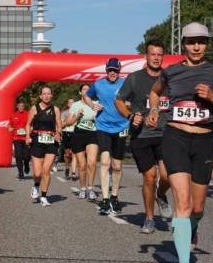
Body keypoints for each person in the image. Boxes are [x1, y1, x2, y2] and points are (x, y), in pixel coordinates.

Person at [147, 22, 213, 263]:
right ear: (183, 45)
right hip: (175, 137)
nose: (196, 46)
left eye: (201, 41)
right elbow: (155, 93)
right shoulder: (171, 71)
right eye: (191, 42)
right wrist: (154, 111)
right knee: (183, 202)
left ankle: (191, 227)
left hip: (203, 141)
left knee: (197, 207)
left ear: (206, 45)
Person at [116, 39, 173, 233]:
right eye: (153, 54)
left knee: (167, 176)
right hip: (141, 135)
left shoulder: (169, 78)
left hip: (166, 133)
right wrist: (131, 116)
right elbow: (119, 101)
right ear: (146, 56)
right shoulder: (135, 78)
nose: (156, 58)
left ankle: (161, 194)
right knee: (150, 177)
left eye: (159, 54)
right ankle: (149, 218)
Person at [84, 57, 128, 216]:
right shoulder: (98, 84)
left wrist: (130, 106)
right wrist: (92, 105)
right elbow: (87, 96)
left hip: (121, 127)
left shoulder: (125, 83)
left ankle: (114, 197)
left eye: (115, 70)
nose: (112, 73)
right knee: (104, 161)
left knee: (116, 166)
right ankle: (104, 199)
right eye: (110, 70)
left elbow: (136, 97)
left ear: (119, 71)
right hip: (103, 126)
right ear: (106, 70)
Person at [26, 85, 62, 206]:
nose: (46, 96)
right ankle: (36, 185)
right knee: (37, 173)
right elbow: (28, 124)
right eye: (44, 94)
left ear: (51, 95)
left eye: (49, 94)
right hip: (37, 141)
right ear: (40, 96)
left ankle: (44, 196)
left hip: (51, 142)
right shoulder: (34, 109)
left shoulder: (56, 109)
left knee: (46, 170)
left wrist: (58, 133)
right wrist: (27, 136)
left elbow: (59, 125)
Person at [64, 84, 99, 201]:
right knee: (82, 165)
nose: (86, 91)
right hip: (79, 134)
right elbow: (68, 122)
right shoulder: (75, 105)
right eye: (84, 89)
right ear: (80, 93)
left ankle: (90, 188)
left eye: (88, 90)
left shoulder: (96, 103)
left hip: (93, 134)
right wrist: (77, 117)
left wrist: (98, 118)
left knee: (92, 162)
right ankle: (83, 188)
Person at [9, 100, 30, 179]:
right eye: (19, 106)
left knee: (27, 156)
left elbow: (31, 124)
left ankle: (27, 165)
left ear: (24, 107)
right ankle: (21, 173)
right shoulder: (13, 115)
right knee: (18, 155)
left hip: (26, 138)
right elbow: (9, 125)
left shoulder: (28, 114)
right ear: (17, 106)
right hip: (16, 138)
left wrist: (30, 130)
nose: (21, 107)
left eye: (22, 106)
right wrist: (10, 128)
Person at [56, 97, 76, 179]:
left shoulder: (79, 112)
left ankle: (73, 172)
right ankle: (67, 168)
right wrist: (68, 121)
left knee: (74, 153)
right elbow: (61, 125)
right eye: (70, 103)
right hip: (67, 133)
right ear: (68, 104)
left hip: (76, 134)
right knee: (67, 154)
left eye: (73, 103)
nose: (72, 104)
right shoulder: (64, 113)